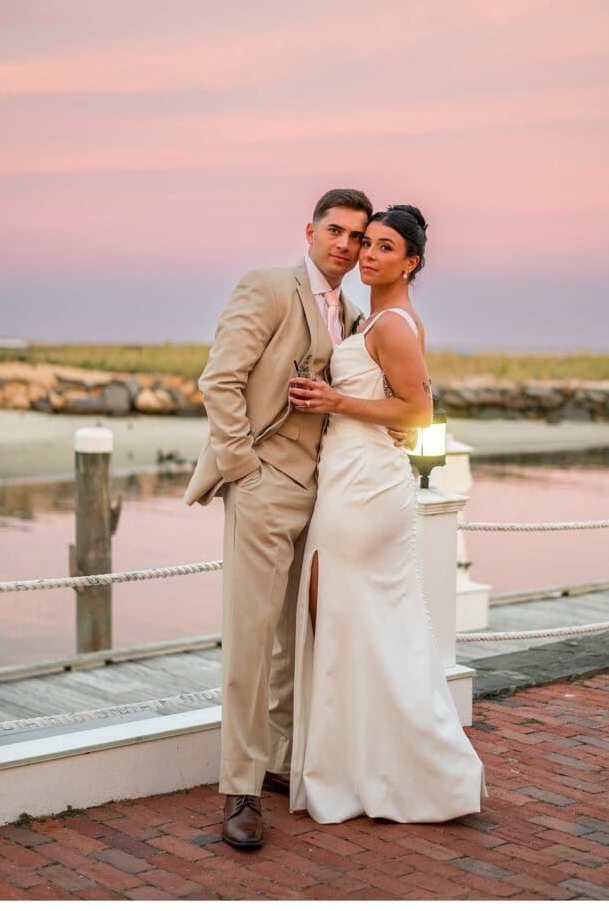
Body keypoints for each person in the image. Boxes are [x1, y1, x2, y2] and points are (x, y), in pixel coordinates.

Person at [184, 188, 412, 849]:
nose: (345, 245)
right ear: (309, 230)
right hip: (264, 485)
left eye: (358, 237)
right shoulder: (267, 288)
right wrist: (243, 470)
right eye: (335, 231)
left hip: (326, 491)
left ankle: (277, 762)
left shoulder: (354, 310)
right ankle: (239, 789)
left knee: (294, 636)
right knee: (251, 638)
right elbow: (219, 380)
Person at [288, 204, 487, 824]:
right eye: (366, 243)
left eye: (384, 247)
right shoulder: (372, 318)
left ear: (412, 262)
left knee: (348, 623)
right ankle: (363, 766)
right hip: (353, 479)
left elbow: (420, 415)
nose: (368, 255)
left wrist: (334, 399)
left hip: (365, 492)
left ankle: (390, 770)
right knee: (361, 629)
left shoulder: (393, 325)